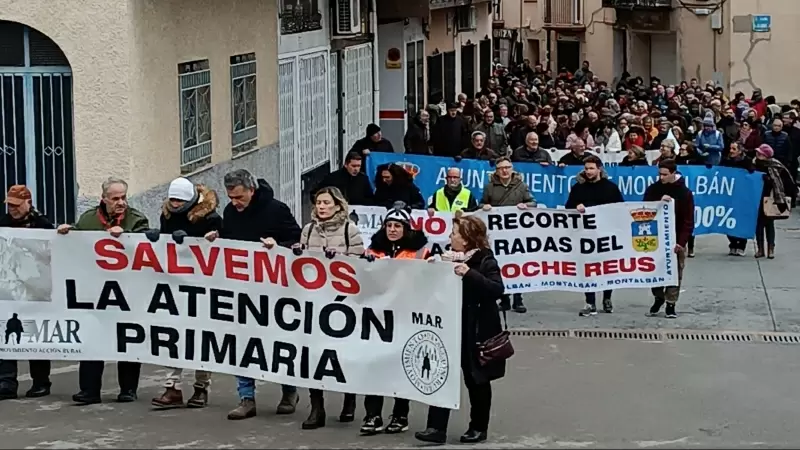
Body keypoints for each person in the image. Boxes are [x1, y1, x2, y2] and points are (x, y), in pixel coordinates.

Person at [206, 169, 301, 420]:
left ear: (251, 190)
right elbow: (232, 240)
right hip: (242, 291)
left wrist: (278, 247)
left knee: (278, 343)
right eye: (230, 197)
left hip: (275, 291)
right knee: (242, 344)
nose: (235, 203)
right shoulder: (229, 212)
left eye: (239, 197)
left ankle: (289, 391)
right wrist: (218, 238)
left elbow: (297, 240)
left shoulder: (277, 210)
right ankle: (246, 397)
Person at [57, 177, 149, 405]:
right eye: (115, 198)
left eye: (124, 197)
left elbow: (147, 246)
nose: (121, 203)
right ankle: (89, 390)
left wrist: (127, 238)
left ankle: (128, 389)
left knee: (127, 339)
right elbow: (78, 244)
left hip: (126, 290)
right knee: (92, 338)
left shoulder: (136, 219)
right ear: (104, 199)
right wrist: (67, 233)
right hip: (95, 290)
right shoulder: (88, 219)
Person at [415, 215, 506, 445]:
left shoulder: (485, 260)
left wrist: (469, 273)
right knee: (441, 374)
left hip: (475, 329)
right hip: (448, 325)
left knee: (476, 380)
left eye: (454, 233)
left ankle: (478, 427)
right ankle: (436, 427)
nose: (449, 237)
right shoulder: (445, 258)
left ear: (466, 239)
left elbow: (496, 289)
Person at [293, 186, 365, 430]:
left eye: (326, 202)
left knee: (342, 354)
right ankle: (317, 407)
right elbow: (300, 263)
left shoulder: (349, 231)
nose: (321, 207)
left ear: (338, 205)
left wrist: (341, 260)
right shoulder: (308, 230)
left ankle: (349, 398)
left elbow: (360, 267)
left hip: (341, 304)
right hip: (313, 302)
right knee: (313, 356)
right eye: (318, 203)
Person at [149, 177, 222, 410]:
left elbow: (222, 248)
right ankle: (172, 387)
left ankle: (201, 388)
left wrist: (196, 240)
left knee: (201, 338)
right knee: (174, 336)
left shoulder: (211, 218)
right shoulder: (167, 215)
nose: (176, 204)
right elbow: (166, 244)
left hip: (204, 286)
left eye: (181, 200)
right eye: (173, 200)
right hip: (176, 284)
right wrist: (157, 240)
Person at [360, 202, 430, 436]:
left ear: (406, 228)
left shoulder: (421, 250)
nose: (392, 229)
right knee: (374, 366)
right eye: (388, 225)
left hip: (406, 316)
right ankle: (373, 415)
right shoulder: (373, 249)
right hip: (378, 318)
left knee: (401, 367)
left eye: (397, 226)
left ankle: (400, 415)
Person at [0, 185, 53, 400]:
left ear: (27, 202)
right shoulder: (3, 224)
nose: (12, 209)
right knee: (5, 336)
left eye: (16, 205)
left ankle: (40, 382)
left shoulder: (43, 224)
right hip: (8, 288)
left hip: (35, 289)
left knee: (35, 335)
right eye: (9, 205)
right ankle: (6, 382)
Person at [564, 156, 624, 316]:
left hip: (605, 235)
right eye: (586, 168)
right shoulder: (578, 188)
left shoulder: (611, 188)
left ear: (599, 169)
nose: (588, 171)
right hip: (585, 235)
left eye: (591, 168)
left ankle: (607, 298)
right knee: (587, 269)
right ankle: (590, 301)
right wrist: (577, 207)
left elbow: (620, 209)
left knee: (607, 268)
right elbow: (568, 208)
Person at [480, 157, 535, 313]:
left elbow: (533, 202)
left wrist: (526, 205)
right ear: (496, 171)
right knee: (500, 264)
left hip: (516, 232)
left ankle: (518, 299)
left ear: (512, 169)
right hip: (497, 233)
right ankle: (504, 299)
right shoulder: (490, 187)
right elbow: (480, 204)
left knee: (516, 264)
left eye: (507, 167)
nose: (504, 171)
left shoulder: (521, 186)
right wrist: (485, 206)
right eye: (501, 168)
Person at [643, 160, 694, 319]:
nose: (662, 177)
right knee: (653, 271)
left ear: (673, 173)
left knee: (675, 272)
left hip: (676, 238)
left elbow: (688, 219)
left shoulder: (684, 192)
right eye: (660, 174)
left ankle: (671, 303)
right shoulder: (654, 189)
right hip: (656, 238)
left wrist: (682, 242)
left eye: (665, 174)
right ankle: (659, 296)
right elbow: (644, 207)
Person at [753, 144, 797, 259]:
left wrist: (769, 181)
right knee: (758, 225)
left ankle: (771, 248)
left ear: (766, 155)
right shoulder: (753, 165)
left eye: (760, 153)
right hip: (757, 197)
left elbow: (786, 182)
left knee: (769, 224)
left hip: (771, 198)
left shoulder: (776, 166)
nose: (757, 154)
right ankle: (760, 249)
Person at [720, 143, 754, 256]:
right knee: (727, 219)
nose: (731, 150)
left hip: (742, 196)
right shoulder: (725, 161)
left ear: (740, 151)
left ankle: (741, 245)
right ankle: (733, 243)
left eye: (734, 149)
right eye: (730, 148)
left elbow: (752, 176)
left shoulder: (747, 161)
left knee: (740, 220)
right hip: (728, 195)